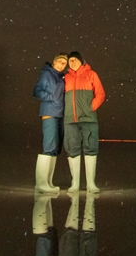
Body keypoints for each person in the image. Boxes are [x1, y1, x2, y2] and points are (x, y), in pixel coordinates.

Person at [63, 51, 105, 194]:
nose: (72, 62)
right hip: (70, 120)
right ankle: (75, 183)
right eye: (70, 60)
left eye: (75, 59)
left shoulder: (91, 74)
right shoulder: (65, 78)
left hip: (88, 119)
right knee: (72, 149)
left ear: (81, 61)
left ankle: (91, 184)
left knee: (90, 148)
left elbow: (100, 94)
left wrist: (90, 108)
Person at [33, 53, 68, 193]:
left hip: (59, 114)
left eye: (64, 63)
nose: (61, 65)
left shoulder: (60, 77)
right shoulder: (47, 74)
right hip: (49, 113)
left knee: (55, 148)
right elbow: (36, 91)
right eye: (59, 62)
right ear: (54, 62)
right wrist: (51, 97)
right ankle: (41, 184)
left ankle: (48, 182)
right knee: (49, 146)